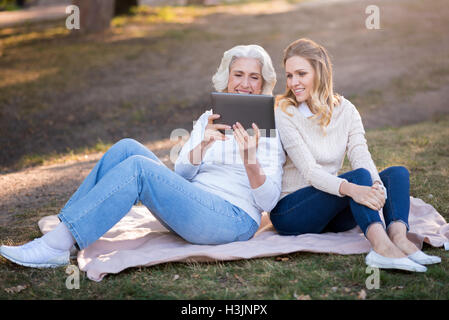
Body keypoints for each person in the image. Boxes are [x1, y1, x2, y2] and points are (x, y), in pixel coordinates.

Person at [0, 44, 285, 268]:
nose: (245, 83)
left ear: (263, 84)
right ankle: (65, 233)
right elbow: (182, 175)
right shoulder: (209, 118)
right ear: (227, 77)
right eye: (238, 74)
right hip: (192, 205)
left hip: (232, 220)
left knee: (139, 168)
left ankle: (55, 246)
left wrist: (250, 159)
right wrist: (203, 146)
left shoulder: (269, 129)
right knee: (127, 147)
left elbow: (269, 202)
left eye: (253, 77)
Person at [270, 38, 441, 272]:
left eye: (301, 74)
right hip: (292, 212)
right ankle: (381, 249)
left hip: (331, 213)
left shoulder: (346, 110)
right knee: (357, 178)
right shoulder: (284, 112)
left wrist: (377, 185)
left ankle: (399, 238)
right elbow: (310, 172)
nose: (293, 83)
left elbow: (360, 153)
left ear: (320, 73)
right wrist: (354, 189)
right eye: (289, 75)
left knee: (396, 174)